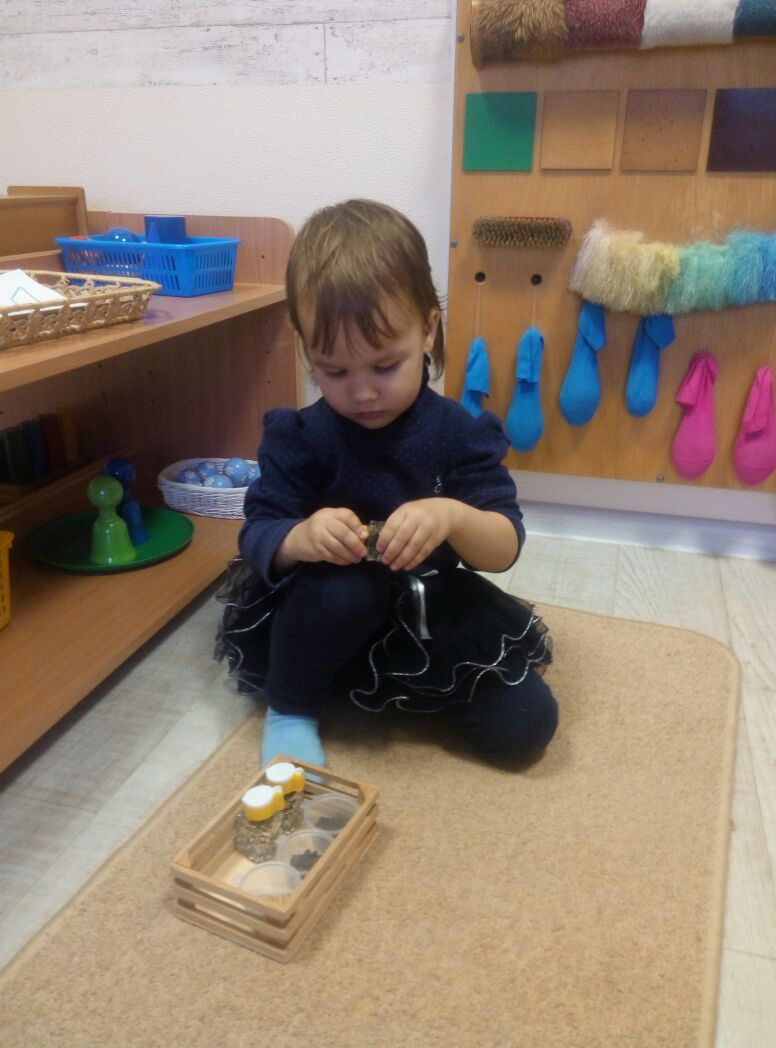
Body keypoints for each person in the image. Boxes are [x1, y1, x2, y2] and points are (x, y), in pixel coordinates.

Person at [216, 199, 557, 768]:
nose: (363, 392)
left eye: (384, 365)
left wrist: (451, 516)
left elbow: (503, 547)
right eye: (334, 371)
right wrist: (302, 537)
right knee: (346, 593)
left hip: (430, 604)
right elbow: (258, 532)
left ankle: (414, 684)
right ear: (305, 349)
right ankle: (292, 708)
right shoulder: (300, 437)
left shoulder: (460, 434)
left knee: (527, 726)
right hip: (323, 608)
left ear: (427, 330)